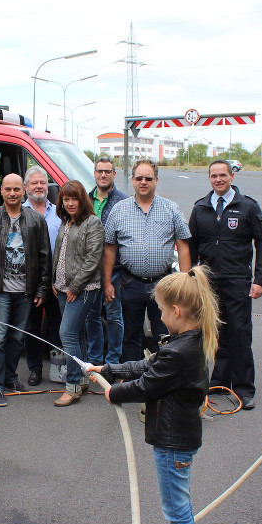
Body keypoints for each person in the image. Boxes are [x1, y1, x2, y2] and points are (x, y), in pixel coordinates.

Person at [88, 267, 220, 524]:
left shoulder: (179, 352)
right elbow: (145, 365)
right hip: (179, 440)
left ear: (176, 312)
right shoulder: (185, 343)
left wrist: (114, 392)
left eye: (160, 311)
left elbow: (145, 385)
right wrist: (107, 369)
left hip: (173, 444)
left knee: (177, 512)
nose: (158, 317)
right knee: (177, 507)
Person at [187, 159, 262, 410]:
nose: (218, 179)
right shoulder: (201, 207)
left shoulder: (248, 207)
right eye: (214, 176)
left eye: (223, 175)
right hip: (209, 281)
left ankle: (244, 388)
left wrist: (259, 280)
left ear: (232, 176)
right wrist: (191, 276)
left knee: (240, 333)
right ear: (209, 178)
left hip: (238, 280)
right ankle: (219, 381)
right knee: (216, 331)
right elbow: (191, 245)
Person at [0, 173, 52, 407]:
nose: (13, 193)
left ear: (23, 191)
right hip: (0, 290)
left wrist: (42, 289)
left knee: (17, 338)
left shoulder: (37, 221)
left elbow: (44, 257)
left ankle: (9, 378)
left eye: (17, 189)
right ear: (1, 191)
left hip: (25, 291)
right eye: (8, 189)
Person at [103, 159, 191, 362]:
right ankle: (132, 382)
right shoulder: (119, 210)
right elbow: (109, 249)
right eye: (139, 178)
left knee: (163, 336)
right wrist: (107, 282)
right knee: (131, 336)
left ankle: (159, 380)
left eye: (148, 178)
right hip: (130, 283)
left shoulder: (171, 209)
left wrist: (186, 282)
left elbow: (184, 246)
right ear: (132, 180)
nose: (143, 182)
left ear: (156, 180)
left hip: (163, 284)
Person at [51, 180, 104, 406]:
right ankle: (82, 378)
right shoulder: (66, 222)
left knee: (68, 334)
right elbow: (60, 253)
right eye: (66, 199)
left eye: (74, 199)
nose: (70, 203)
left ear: (83, 200)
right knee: (78, 334)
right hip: (63, 288)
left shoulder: (93, 223)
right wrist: (55, 280)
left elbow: (93, 259)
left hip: (82, 289)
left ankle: (72, 386)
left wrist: (75, 286)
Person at [85, 156, 129, 366]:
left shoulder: (124, 201)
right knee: (91, 315)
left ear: (114, 174)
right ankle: (94, 359)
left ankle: (112, 361)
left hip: (115, 269)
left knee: (114, 315)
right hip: (90, 269)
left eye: (107, 171)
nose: (103, 175)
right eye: (99, 171)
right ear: (94, 173)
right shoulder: (85, 199)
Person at [22, 166, 63, 386]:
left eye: (43, 183)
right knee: (32, 328)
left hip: (57, 282)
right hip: (31, 282)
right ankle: (35, 370)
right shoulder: (19, 213)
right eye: (35, 183)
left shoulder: (59, 212)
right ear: (26, 187)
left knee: (57, 327)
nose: (39, 186)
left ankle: (58, 370)